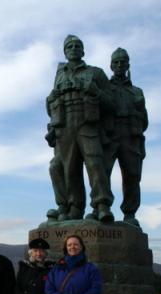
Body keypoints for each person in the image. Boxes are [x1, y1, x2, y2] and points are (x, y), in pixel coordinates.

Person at [45, 35, 115, 222]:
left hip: (88, 123)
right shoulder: (60, 75)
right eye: (70, 46)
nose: (74, 48)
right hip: (65, 125)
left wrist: (95, 91)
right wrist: (51, 98)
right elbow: (51, 107)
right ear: (65, 52)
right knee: (69, 168)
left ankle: (102, 205)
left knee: (95, 163)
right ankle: (74, 207)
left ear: (83, 51)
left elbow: (112, 103)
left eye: (77, 46)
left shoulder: (96, 73)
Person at [104, 47, 148, 227]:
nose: (120, 64)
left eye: (123, 61)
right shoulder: (104, 87)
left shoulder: (137, 92)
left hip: (130, 135)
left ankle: (129, 213)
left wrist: (137, 112)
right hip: (109, 134)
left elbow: (145, 121)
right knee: (102, 173)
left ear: (128, 64)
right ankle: (102, 208)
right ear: (111, 65)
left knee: (132, 175)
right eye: (116, 62)